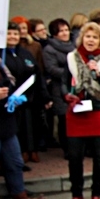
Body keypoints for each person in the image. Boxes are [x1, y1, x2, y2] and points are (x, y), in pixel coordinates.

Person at [62, 22, 100, 199]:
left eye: (95, 37)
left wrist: (98, 74)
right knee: (74, 156)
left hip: (99, 111)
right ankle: (76, 195)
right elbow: (63, 82)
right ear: (82, 38)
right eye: (88, 36)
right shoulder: (71, 58)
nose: (91, 40)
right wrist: (66, 95)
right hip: (77, 111)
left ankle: (96, 194)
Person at [0, 49, 45, 199]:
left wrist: (11, 94)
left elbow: (10, 80)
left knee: (15, 162)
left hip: (5, 121)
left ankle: (21, 198)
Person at [4, 22, 51, 167]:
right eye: (9, 33)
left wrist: (45, 97)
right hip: (9, 101)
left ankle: (32, 150)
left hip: (30, 99)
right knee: (16, 130)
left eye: (15, 34)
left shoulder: (25, 53)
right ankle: (18, 156)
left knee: (32, 126)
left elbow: (38, 75)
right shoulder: (0, 55)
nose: (12, 36)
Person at [43, 18, 76, 156]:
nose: (65, 33)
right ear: (54, 33)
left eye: (66, 30)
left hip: (76, 86)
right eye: (61, 31)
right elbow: (51, 69)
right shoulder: (49, 49)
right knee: (64, 119)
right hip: (59, 88)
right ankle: (67, 149)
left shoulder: (76, 46)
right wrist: (72, 72)